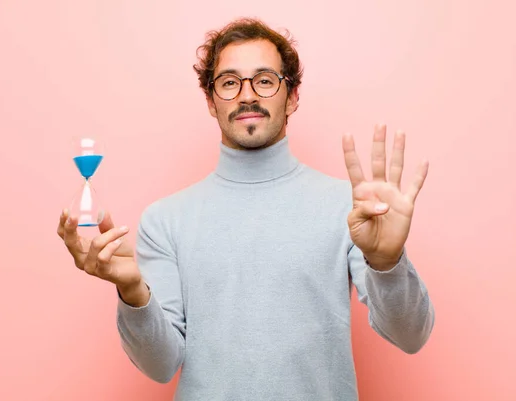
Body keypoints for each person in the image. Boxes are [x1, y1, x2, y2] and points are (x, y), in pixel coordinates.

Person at [57, 17, 435, 401]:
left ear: (293, 96)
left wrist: (387, 263)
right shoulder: (165, 220)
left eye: (266, 79)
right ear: (211, 101)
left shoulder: (351, 210)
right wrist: (133, 291)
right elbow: (160, 366)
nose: (247, 95)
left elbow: (410, 335)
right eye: (229, 82)